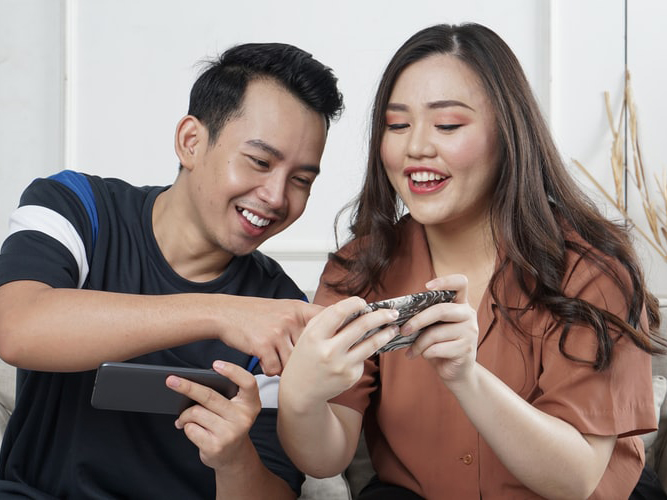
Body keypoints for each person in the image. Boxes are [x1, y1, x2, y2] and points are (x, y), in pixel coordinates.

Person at [278, 23, 665, 499]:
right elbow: (326, 455)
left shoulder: (593, 272)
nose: (415, 147)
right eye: (397, 125)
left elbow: (576, 479)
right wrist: (300, 397)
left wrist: (467, 377)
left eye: (448, 125)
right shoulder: (360, 268)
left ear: (508, 133)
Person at [0, 42, 343, 498]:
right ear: (191, 142)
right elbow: (18, 325)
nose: (278, 197)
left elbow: (277, 492)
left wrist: (234, 459)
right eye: (259, 162)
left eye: (301, 180)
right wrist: (220, 314)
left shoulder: (280, 312)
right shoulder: (77, 207)